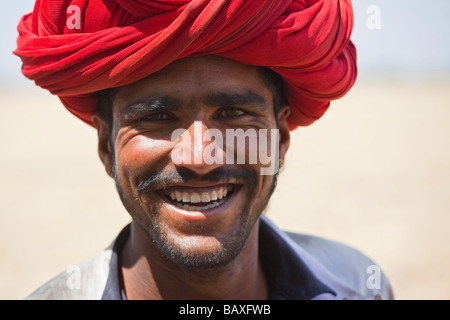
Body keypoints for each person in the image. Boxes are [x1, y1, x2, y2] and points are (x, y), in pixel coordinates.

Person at [14, 0, 393, 300]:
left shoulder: (360, 285)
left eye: (233, 113)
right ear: (106, 147)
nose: (198, 158)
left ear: (279, 138)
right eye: (157, 116)